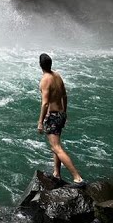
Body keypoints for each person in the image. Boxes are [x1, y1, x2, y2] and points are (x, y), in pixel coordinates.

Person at [36, 53, 84, 185]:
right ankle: (56, 173)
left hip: (53, 116)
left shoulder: (45, 79)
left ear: (40, 65)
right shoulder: (57, 75)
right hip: (61, 113)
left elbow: (45, 103)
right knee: (56, 146)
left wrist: (40, 122)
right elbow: (65, 95)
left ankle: (77, 177)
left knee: (56, 147)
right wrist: (65, 113)